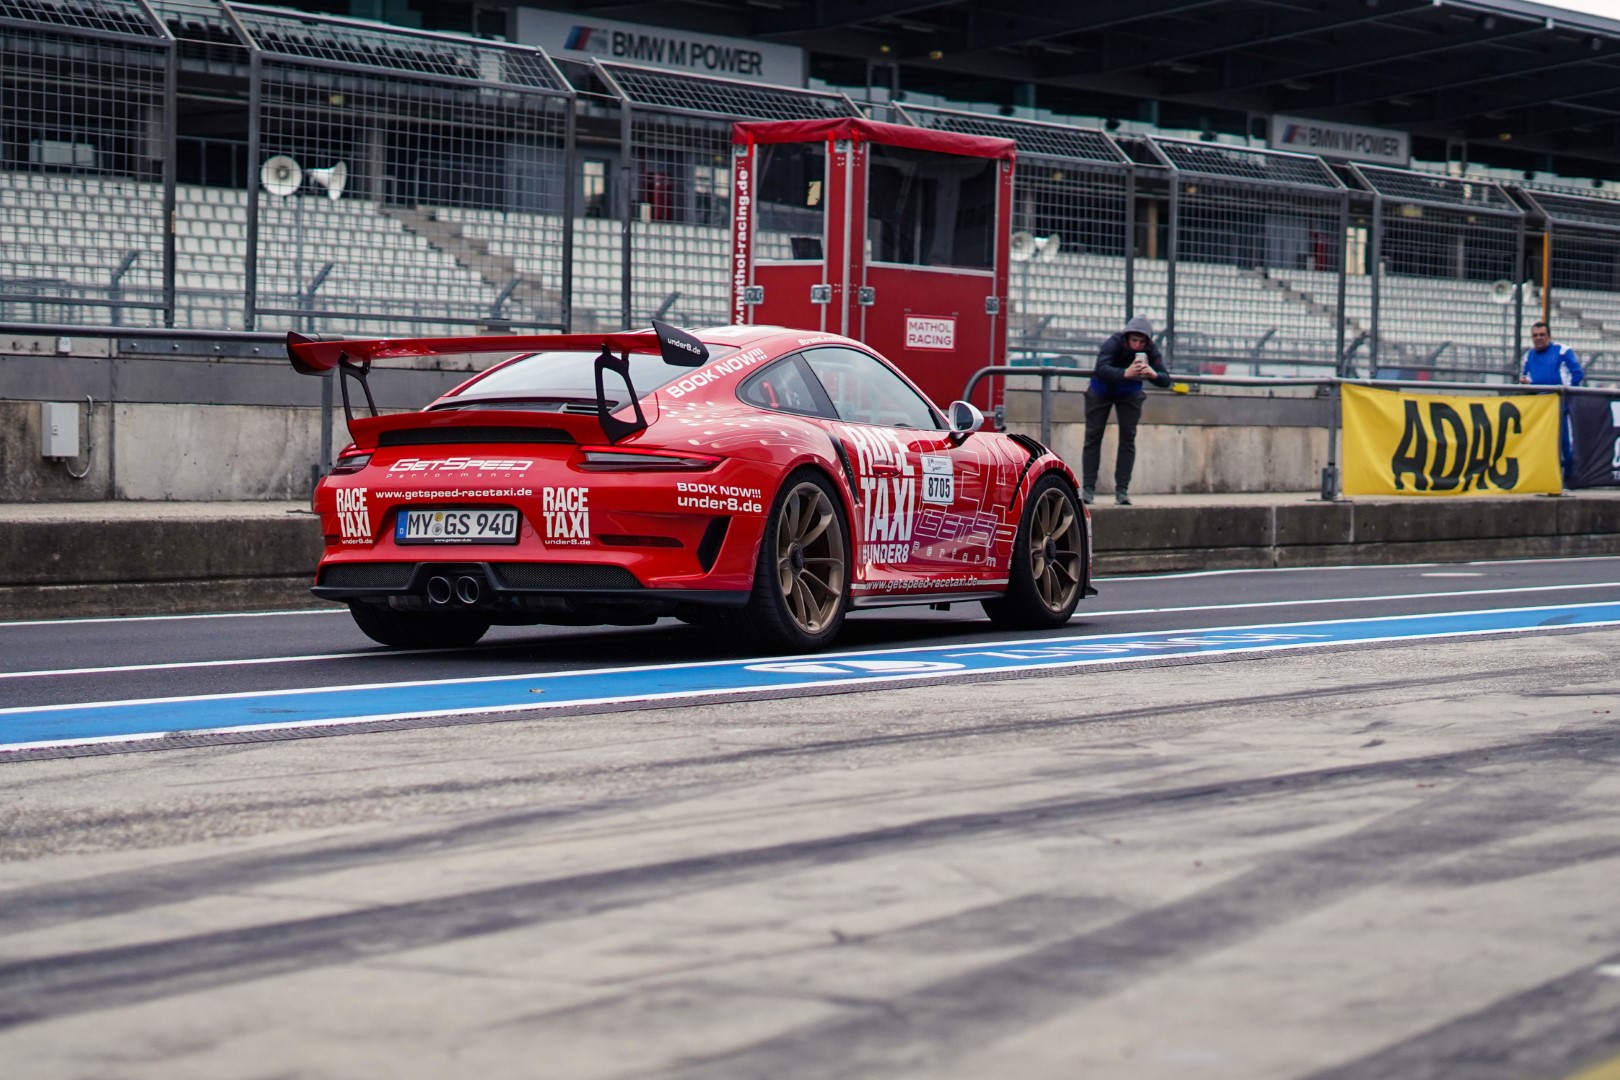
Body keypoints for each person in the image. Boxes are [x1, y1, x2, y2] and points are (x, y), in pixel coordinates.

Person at [1082, 315, 1172, 506]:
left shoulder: (1151, 349)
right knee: (1093, 437)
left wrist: (1153, 374)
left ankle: (1122, 491)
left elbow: (1166, 379)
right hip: (1101, 390)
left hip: (1129, 392)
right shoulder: (1113, 342)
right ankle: (1088, 489)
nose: (1137, 345)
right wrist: (1125, 373)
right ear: (1127, 337)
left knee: (1128, 438)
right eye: (1134, 340)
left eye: (1141, 341)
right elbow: (1101, 368)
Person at [1519, 320, 1583, 475]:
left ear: (1549, 336)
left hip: (1561, 406)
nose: (1538, 338)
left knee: (1566, 444)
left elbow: (1577, 374)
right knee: (1540, 443)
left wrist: (1564, 392)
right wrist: (1527, 383)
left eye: (1542, 335)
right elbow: (1525, 376)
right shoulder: (1529, 355)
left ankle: (1570, 478)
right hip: (1540, 408)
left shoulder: (1562, 351)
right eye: (1535, 335)